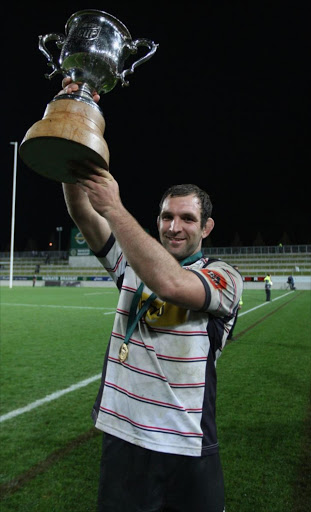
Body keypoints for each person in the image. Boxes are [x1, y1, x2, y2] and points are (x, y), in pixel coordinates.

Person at [61, 79, 243, 512]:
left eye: (186, 218)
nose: (173, 227)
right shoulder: (131, 263)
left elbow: (173, 285)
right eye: (165, 216)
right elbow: (82, 212)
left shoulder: (224, 277)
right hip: (125, 441)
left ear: (206, 228)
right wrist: (76, 124)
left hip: (187, 445)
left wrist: (115, 208)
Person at [227, 266, 243, 341]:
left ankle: (229, 335)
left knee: (233, 321)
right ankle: (226, 335)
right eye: (236, 270)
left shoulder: (237, 280)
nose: (237, 271)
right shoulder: (229, 279)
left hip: (235, 304)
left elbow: (239, 293)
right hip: (229, 303)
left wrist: (239, 303)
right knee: (227, 320)